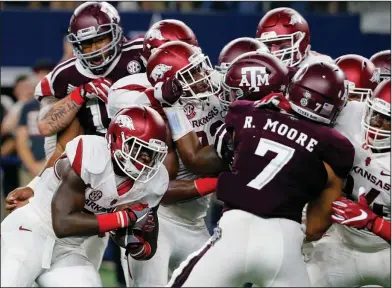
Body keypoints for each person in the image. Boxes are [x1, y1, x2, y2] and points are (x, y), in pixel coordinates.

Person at [167, 61, 354, 287]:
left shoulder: (248, 113)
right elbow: (314, 229)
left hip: (233, 233)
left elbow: (207, 158)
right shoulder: (336, 149)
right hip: (285, 246)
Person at [1, 106, 169, 287]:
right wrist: (122, 218)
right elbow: (63, 224)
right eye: (138, 148)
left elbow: (149, 240)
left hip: (69, 249)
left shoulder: (154, 181)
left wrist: (138, 246)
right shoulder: (91, 153)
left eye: (151, 153)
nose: (145, 159)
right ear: (116, 139)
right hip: (30, 231)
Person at [305, 79, 391, 287]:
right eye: (375, 113)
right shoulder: (350, 116)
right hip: (339, 242)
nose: (377, 122)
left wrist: (374, 223)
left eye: (387, 118)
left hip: (385, 251)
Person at [255, 7, 333, 68]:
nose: (272, 52)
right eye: (267, 45)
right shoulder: (256, 69)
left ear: (301, 40)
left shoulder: (320, 65)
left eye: (281, 44)